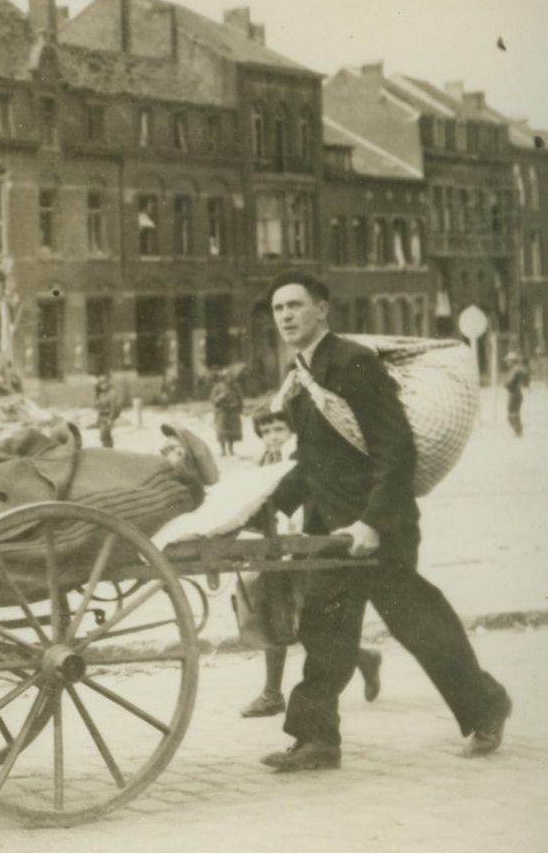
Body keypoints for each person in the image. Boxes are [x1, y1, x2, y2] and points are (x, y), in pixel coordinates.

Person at [259, 270, 510, 772]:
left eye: (295, 305)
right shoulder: (300, 378)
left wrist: (372, 522)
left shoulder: (353, 362)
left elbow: (397, 451)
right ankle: (316, 741)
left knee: (416, 622)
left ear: (322, 310)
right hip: (328, 529)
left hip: (380, 525)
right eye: (278, 308)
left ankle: (486, 705)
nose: (285, 315)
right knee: (324, 628)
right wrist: (261, 505)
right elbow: (310, 465)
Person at [240, 403, 382, 718]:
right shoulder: (268, 459)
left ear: (293, 431)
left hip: (307, 542)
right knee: (275, 608)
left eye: (279, 430)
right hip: (282, 544)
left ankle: (362, 657)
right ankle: (273, 692)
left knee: (309, 621)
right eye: (265, 431)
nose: (272, 437)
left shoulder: (300, 460)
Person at [210, 370, 244, 456]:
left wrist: (239, 407)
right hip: (222, 412)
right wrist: (220, 397)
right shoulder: (218, 387)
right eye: (227, 377)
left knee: (232, 431)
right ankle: (223, 450)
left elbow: (240, 398)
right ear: (224, 378)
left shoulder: (236, 387)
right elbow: (212, 399)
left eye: (231, 376)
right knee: (222, 431)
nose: (230, 378)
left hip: (233, 411)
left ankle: (231, 449)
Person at [504, 352, 530, 438]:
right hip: (516, 393)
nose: (507, 363)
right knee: (514, 413)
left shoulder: (515, 370)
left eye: (508, 361)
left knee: (512, 413)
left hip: (514, 393)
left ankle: (518, 431)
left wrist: (506, 384)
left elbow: (509, 382)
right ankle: (518, 431)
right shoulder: (518, 369)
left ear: (512, 361)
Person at [94, 374, 119, 448]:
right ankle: (108, 451)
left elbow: (113, 407)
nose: (102, 384)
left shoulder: (112, 393)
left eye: (104, 382)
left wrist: (110, 419)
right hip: (101, 417)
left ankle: (109, 452)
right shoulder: (103, 394)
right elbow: (97, 405)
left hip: (107, 417)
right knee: (104, 437)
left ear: (108, 383)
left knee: (104, 436)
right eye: (100, 383)